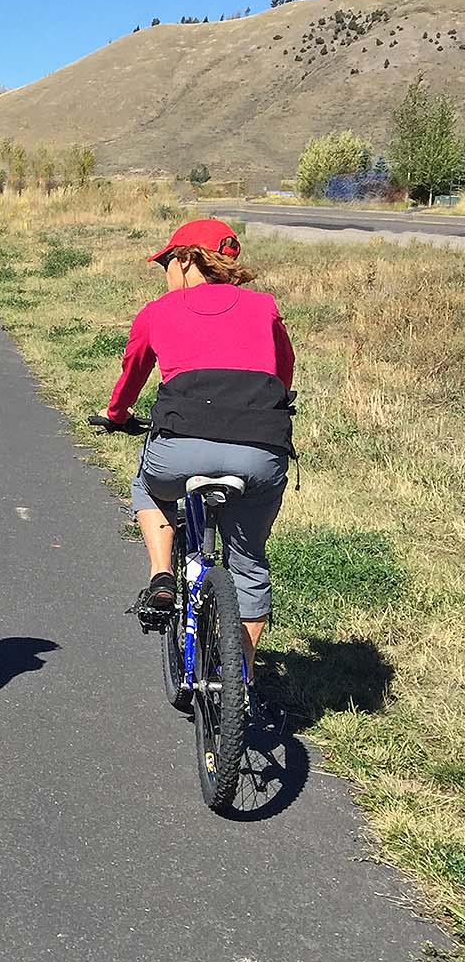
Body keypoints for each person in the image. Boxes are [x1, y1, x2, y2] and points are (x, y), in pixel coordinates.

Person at [98, 218, 294, 683]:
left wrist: (116, 415)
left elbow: (132, 374)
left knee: (147, 484)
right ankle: (239, 684)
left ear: (186, 259)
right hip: (260, 451)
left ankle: (162, 574)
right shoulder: (264, 306)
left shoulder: (158, 310)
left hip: (179, 455)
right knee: (248, 563)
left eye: (167, 261)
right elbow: (282, 373)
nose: (165, 271)